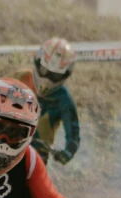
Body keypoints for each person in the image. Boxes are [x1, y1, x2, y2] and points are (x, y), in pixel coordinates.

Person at [14, 37, 80, 166]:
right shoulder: (20, 77)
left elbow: (73, 134)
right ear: (37, 61)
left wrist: (68, 152)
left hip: (37, 154)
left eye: (55, 75)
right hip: (4, 141)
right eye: (44, 70)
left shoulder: (64, 100)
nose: (47, 78)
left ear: (66, 74)